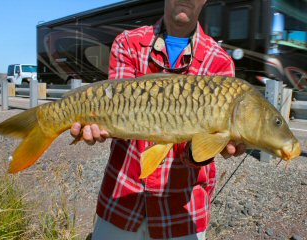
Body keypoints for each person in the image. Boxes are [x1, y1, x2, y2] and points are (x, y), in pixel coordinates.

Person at [71, 0, 246, 239]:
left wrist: (210, 146)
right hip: (122, 198)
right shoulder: (128, 43)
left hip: (182, 210)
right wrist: (97, 123)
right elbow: (114, 107)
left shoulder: (220, 61)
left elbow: (197, 154)